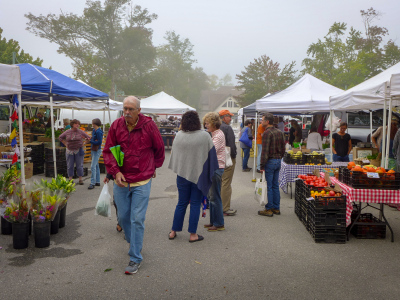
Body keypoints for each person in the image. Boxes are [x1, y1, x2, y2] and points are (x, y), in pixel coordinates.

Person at [103, 96, 165, 275]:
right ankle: (134, 241)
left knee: (137, 219)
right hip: (121, 180)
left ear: (139, 110)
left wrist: (154, 166)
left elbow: (159, 148)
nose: (127, 112)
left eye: (131, 109)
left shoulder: (149, 125)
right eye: (125, 109)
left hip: (142, 180)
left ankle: (135, 257)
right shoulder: (116, 125)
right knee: (123, 218)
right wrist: (115, 172)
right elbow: (108, 150)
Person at [168, 111, 219, 242]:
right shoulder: (205, 136)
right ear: (197, 121)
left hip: (182, 175)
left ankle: (173, 231)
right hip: (199, 175)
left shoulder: (179, 135)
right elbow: (212, 156)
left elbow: (175, 155)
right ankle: (192, 235)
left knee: (181, 203)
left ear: (183, 122)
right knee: (195, 204)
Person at [258, 113, 286, 217]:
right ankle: (276, 208)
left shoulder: (267, 133)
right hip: (278, 160)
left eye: (262, 120)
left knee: (269, 186)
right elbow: (283, 148)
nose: (261, 122)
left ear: (267, 122)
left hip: (270, 161)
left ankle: (269, 209)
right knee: (275, 185)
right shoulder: (279, 132)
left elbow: (264, 152)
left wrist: (261, 166)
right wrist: (280, 157)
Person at [202, 112, 226, 232]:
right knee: (212, 197)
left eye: (207, 123)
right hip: (215, 167)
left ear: (213, 123)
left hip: (217, 168)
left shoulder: (218, 135)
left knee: (215, 197)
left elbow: (211, 150)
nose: (205, 125)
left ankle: (219, 223)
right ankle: (213, 221)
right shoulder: (215, 134)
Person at [58, 119, 90, 184]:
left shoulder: (80, 131)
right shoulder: (67, 132)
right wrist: (65, 143)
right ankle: (70, 179)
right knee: (70, 165)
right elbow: (60, 137)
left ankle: (80, 179)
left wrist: (84, 142)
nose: (77, 125)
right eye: (76, 124)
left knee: (79, 165)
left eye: (78, 124)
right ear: (72, 124)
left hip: (79, 150)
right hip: (69, 150)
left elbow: (89, 137)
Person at [219, 109, 237, 216]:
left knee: (220, 182)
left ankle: (217, 204)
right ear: (224, 117)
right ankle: (224, 208)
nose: (230, 119)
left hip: (217, 158)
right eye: (229, 116)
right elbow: (231, 145)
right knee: (226, 182)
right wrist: (233, 157)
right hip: (227, 157)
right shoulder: (227, 128)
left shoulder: (215, 127)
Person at [88, 118, 103, 189]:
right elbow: (95, 140)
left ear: (95, 123)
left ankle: (92, 182)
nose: (92, 124)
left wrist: (90, 141)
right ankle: (97, 181)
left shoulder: (99, 132)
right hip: (94, 149)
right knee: (96, 165)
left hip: (97, 150)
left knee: (93, 166)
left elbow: (99, 142)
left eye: (92, 122)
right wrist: (91, 139)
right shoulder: (94, 130)